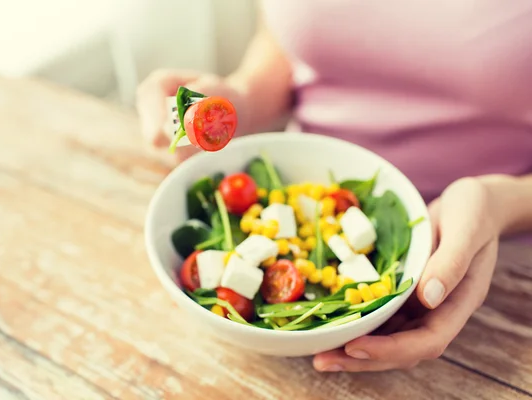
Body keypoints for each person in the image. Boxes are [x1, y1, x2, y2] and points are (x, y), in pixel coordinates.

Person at [136, 1, 532, 372]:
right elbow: (287, 40)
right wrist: (244, 97)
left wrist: (503, 204)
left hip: (504, 282)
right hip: (308, 192)